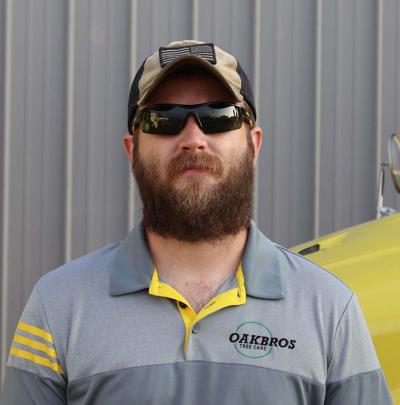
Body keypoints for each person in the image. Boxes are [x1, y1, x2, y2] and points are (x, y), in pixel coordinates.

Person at [0, 40, 392, 404]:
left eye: (218, 116)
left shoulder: (329, 309)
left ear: (253, 145)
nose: (193, 138)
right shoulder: (58, 307)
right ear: (132, 151)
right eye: (163, 119)